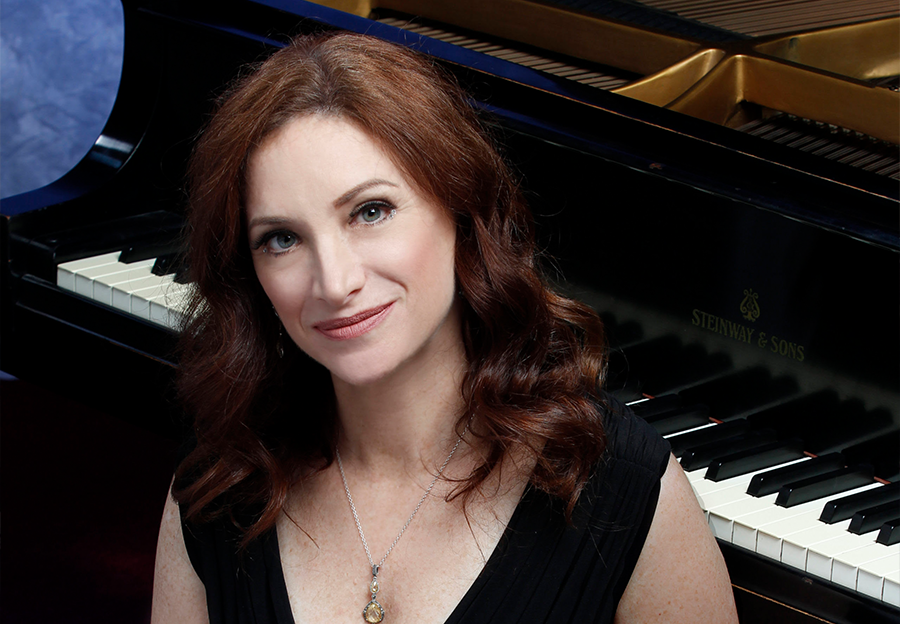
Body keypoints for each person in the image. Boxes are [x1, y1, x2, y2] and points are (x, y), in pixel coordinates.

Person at [151, 31, 738, 624]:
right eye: (282, 239)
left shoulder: (625, 487)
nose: (334, 282)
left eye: (371, 212)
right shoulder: (215, 488)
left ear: (461, 209)